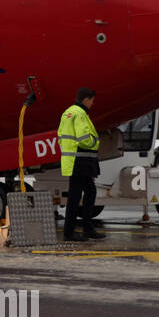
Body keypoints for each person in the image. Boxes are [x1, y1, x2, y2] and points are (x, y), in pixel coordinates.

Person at [59, 87, 105, 240]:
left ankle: (86, 228)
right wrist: (95, 142)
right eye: (92, 100)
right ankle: (70, 232)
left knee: (87, 192)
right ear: (86, 99)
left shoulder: (68, 112)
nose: (93, 103)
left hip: (74, 161)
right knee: (77, 196)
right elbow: (84, 138)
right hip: (81, 162)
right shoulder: (80, 114)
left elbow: (60, 136)